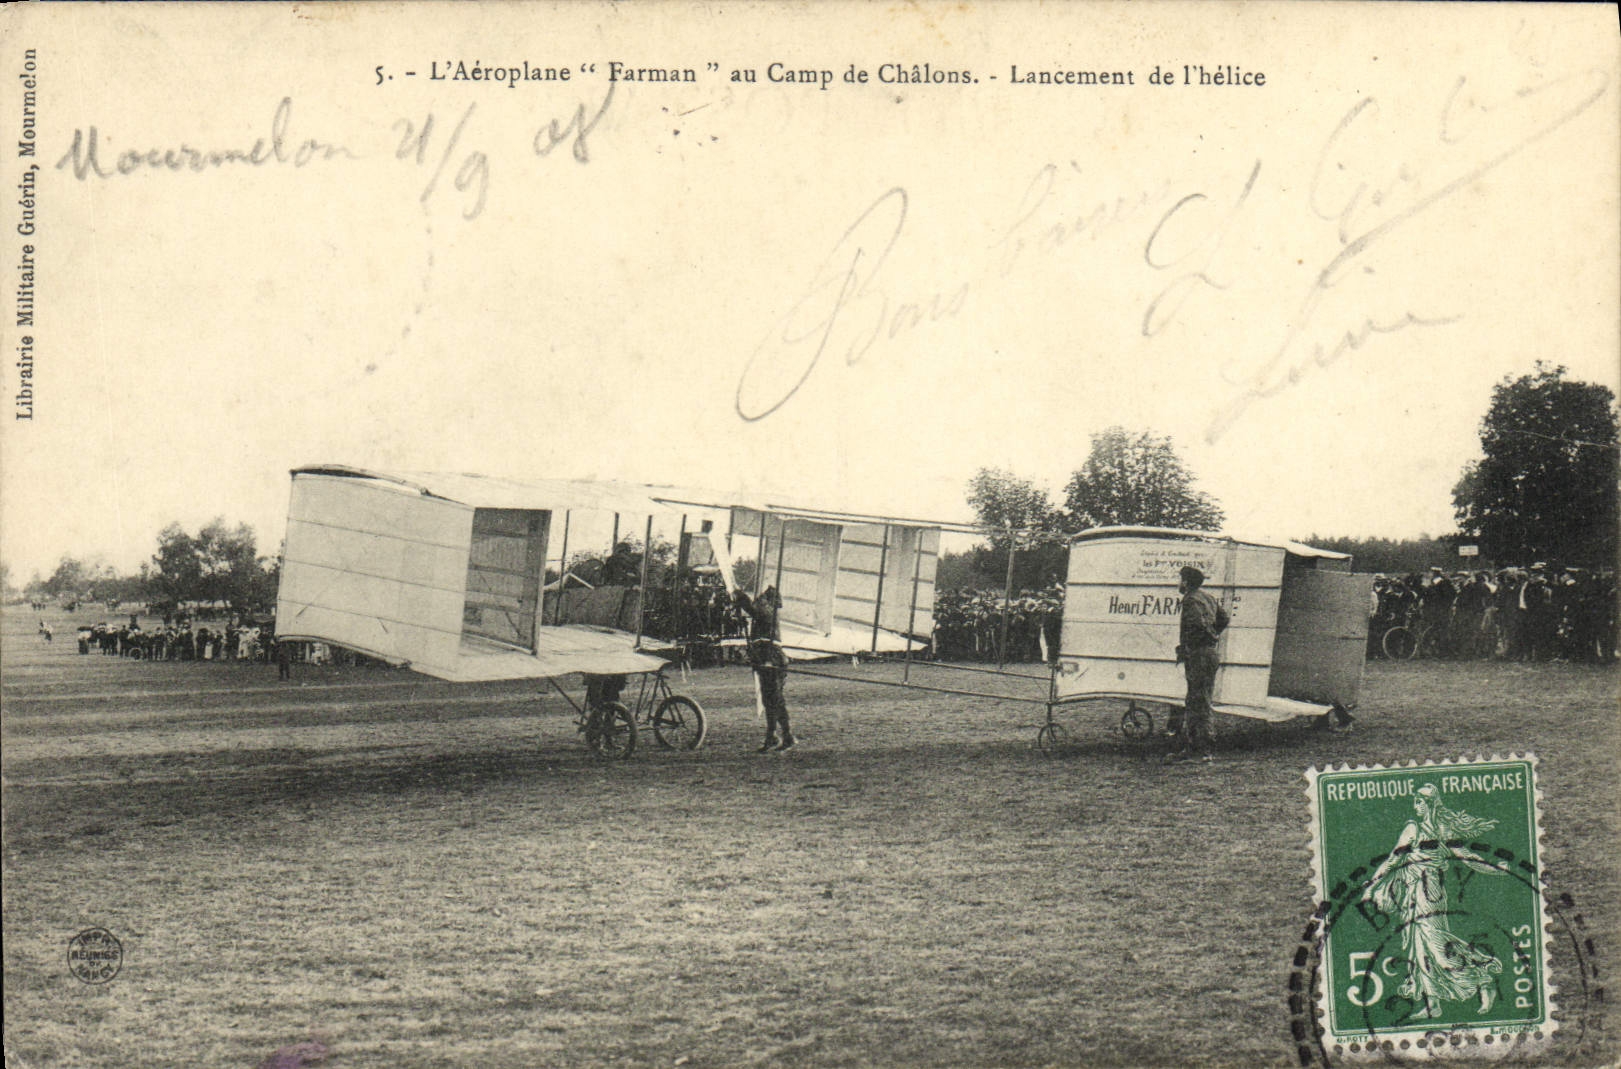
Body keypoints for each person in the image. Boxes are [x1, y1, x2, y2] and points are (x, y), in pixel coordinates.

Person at [1360, 784, 1505, 1018]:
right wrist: (1371, 885)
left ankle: (1483, 978)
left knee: (1437, 943)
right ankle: (1432, 1004)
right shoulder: (1412, 828)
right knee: (1419, 947)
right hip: (1412, 890)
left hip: (1431, 891)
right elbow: (1393, 860)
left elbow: (1467, 857)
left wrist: (1495, 869)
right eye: (1415, 802)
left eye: (1419, 802)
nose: (1415, 807)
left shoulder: (1442, 828)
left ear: (1429, 803)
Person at [1168, 565, 1228, 763]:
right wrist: (1214, 635)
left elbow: (1199, 626)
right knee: (1200, 699)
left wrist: (1191, 646)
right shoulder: (1208, 598)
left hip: (1199, 655)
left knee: (1197, 702)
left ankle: (1200, 750)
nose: (1179, 583)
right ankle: (1199, 748)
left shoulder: (1191, 599)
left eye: (1181, 579)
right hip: (1208, 654)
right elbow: (1224, 618)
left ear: (1186, 582)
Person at [735, 586, 794, 752]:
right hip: (766, 658)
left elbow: (754, 610)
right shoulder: (767, 614)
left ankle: (784, 735)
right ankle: (774, 736)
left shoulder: (768, 612)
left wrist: (740, 596)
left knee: (774, 699)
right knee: (770, 700)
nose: (759, 599)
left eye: (762, 597)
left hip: (772, 658)